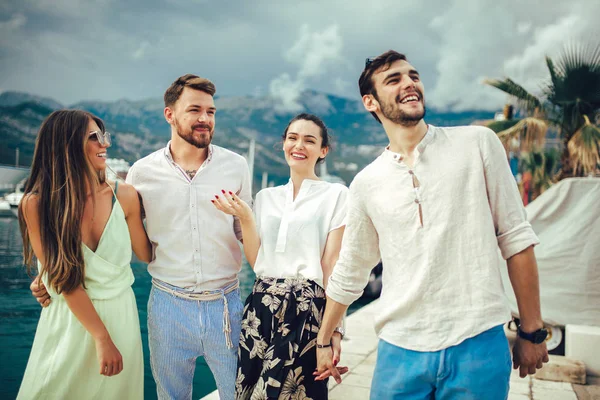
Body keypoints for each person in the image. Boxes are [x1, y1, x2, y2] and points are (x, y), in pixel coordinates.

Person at [315, 51, 549, 399]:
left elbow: (515, 239)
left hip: (477, 342)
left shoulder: (478, 144)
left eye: (413, 75)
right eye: (394, 80)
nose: (409, 83)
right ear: (371, 102)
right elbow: (352, 268)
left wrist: (532, 331)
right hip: (399, 349)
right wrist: (324, 339)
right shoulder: (366, 183)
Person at [31, 75, 252, 400]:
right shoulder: (141, 174)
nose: (205, 119)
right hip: (167, 306)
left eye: (211, 111)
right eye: (195, 110)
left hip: (226, 304)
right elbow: (107, 237)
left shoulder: (237, 166)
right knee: (171, 396)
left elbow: (245, 233)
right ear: (169, 115)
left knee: (241, 393)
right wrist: (46, 274)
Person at [212, 113, 349, 399]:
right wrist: (247, 218)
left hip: (307, 311)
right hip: (261, 308)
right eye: (292, 138)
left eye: (309, 140)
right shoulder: (266, 198)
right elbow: (258, 262)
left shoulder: (337, 195)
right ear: (284, 143)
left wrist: (334, 332)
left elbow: (332, 266)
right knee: (249, 392)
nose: (299, 145)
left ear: (323, 151)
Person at [18, 109, 152, 399]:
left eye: (104, 137)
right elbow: (65, 280)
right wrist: (102, 338)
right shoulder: (37, 204)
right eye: (94, 137)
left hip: (121, 318)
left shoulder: (125, 195)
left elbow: (147, 254)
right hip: (68, 320)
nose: (104, 144)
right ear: (66, 144)